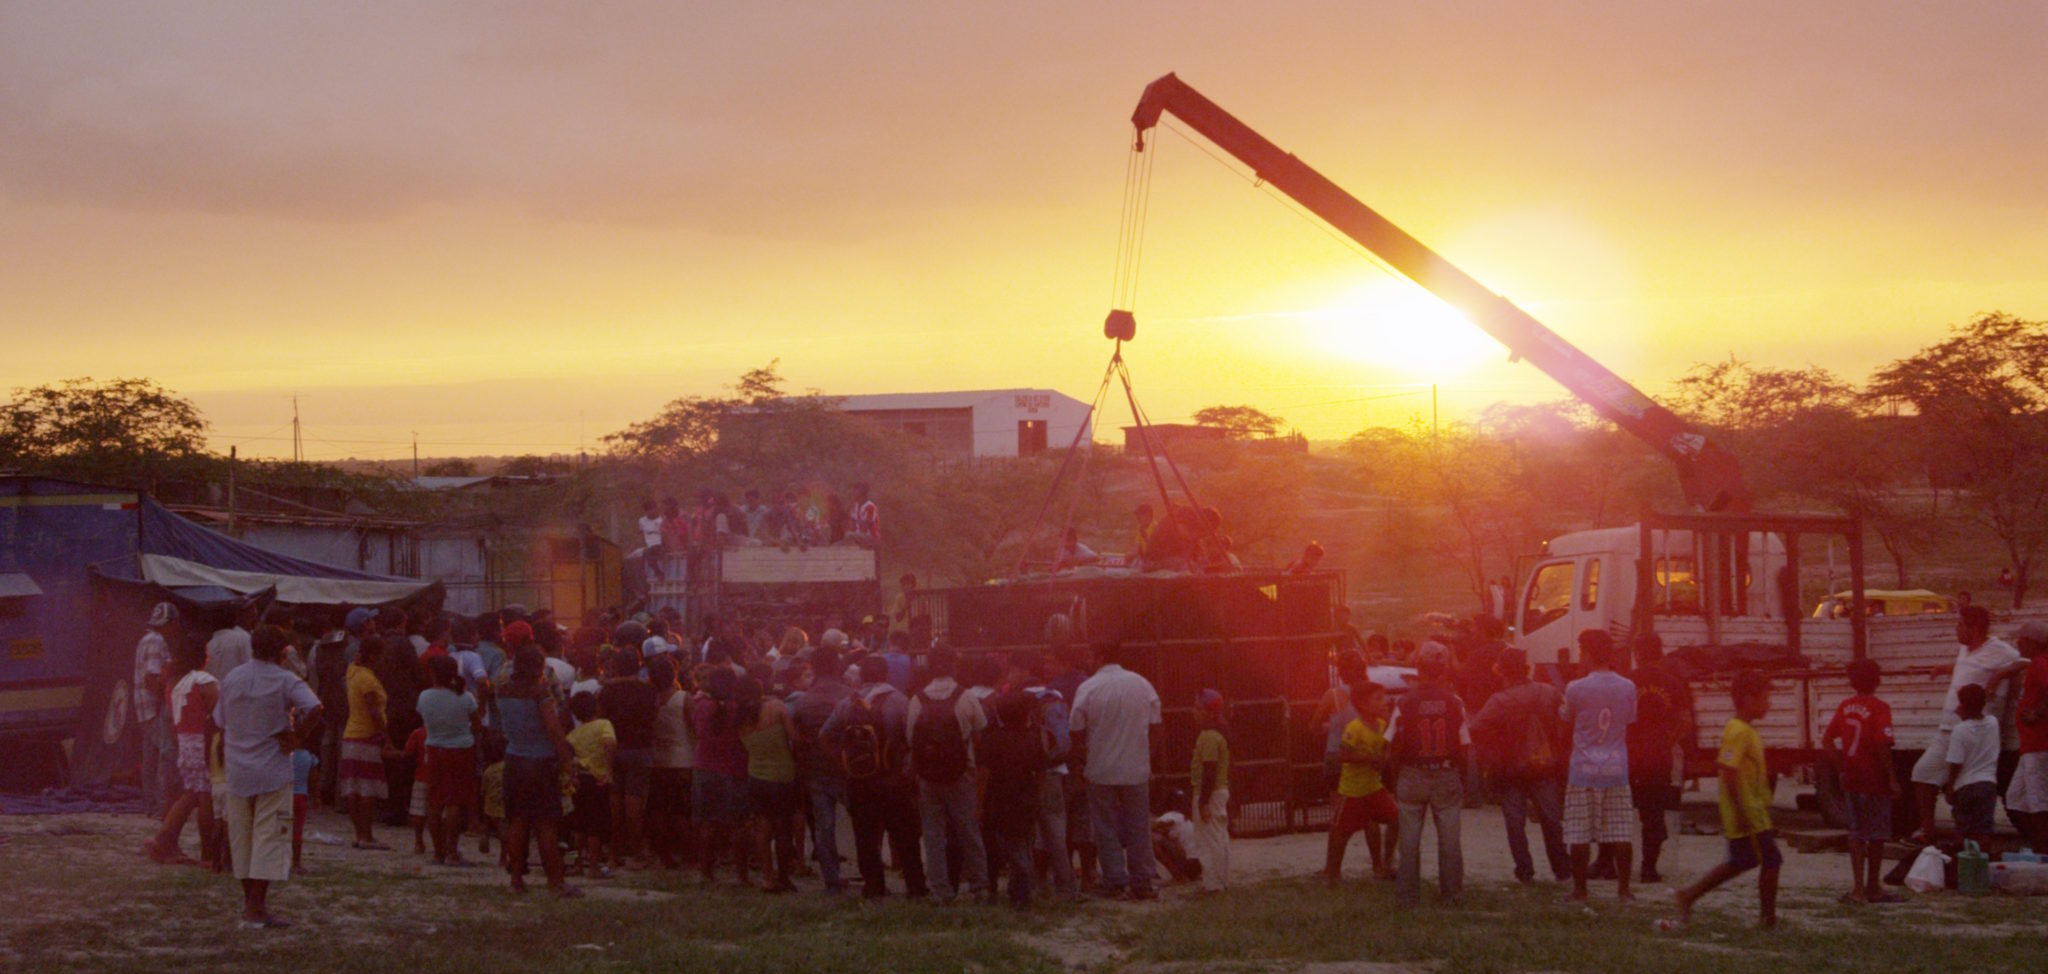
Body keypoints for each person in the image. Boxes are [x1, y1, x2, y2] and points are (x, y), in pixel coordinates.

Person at [212, 624, 323, 928]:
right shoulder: (285, 679)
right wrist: (299, 736)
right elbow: (315, 707)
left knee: (243, 840)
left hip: (238, 769)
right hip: (272, 768)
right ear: (283, 652)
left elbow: (220, 721)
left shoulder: (232, 678)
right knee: (269, 839)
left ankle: (253, 905)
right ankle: (255, 908)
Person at [1669, 670, 1779, 930]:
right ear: (1748, 699)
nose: (1769, 704)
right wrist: (1741, 812)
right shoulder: (1738, 730)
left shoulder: (1746, 730)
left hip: (1754, 812)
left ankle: (1688, 895)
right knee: (1771, 861)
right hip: (1748, 814)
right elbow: (1727, 771)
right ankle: (1767, 920)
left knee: (1743, 860)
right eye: (1765, 698)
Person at [1910, 605, 2025, 843]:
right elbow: (1965, 666)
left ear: (1975, 628)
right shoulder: (1964, 650)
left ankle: (1973, 840)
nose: (1956, 629)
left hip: (1977, 731)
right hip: (1948, 728)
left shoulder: (2000, 650)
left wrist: (2000, 675)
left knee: (1970, 785)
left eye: (1960, 624)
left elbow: (2027, 661)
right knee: (1922, 774)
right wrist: (1944, 668)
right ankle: (1928, 831)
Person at [821, 655, 928, 899]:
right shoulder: (900, 702)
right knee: (905, 836)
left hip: (859, 781)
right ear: (886, 675)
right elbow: (913, 740)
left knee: (866, 837)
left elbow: (824, 737)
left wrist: (844, 763)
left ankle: (874, 887)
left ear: (862, 676)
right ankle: (916, 887)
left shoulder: (848, 704)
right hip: (893, 779)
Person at [1467, 646, 1569, 885]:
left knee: (1515, 822)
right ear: (1526, 668)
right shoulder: (1549, 692)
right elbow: (1564, 720)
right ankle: (1562, 868)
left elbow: (1476, 728)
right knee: (1551, 819)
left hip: (1511, 768)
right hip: (1544, 765)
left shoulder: (1499, 700)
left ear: (1502, 671)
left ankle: (1525, 871)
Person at [1071, 640, 1163, 900]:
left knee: (1105, 826)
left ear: (1098, 656)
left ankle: (1114, 880)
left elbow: (1075, 729)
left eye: (1089, 655)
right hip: (1135, 769)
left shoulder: (1088, 688)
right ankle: (1142, 881)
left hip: (1100, 769)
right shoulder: (1142, 684)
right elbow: (1157, 727)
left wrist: (1082, 760)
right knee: (1138, 826)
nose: (1086, 661)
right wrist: (1146, 756)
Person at [1387, 641, 1469, 906]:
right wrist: (1463, 777)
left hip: (1412, 773)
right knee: (1449, 839)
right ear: (1444, 669)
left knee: (1409, 840)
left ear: (1418, 668)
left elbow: (1392, 742)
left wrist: (1394, 775)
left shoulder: (1405, 701)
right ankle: (1452, 894)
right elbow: (1465, 745)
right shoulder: (1454, 702)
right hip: (1445, 773)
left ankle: (1407, 895)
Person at [905, 644, 990, 902]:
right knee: (968, 832)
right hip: (962, 774)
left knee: (933, 835)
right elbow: (980, 733)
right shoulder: (966, 697)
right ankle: (979, 886)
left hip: (928, 778)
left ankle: (941, 889)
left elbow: (911, 740)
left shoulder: (917, 700)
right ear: (954, 665)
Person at [496, 645, 581, 897]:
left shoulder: (503, 691)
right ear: (538, 668)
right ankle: (555, 881)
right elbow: (554, 730)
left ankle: (516, 879)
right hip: (540, 761)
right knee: (546, 824)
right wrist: (567, 760)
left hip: (514, 757)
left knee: (518, 821)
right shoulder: (540, 693)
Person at [1561, 629, 1637, 903]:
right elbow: (1629, 720)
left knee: (1578, 833)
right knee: (1620, 832)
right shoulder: (1628, 687)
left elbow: (1567, 718)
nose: (1580, 657)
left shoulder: (1576, 688)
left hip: (1583, 769)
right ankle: (1624, 890)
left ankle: (1580, 890)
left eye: (1581, 651)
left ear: (1589, 653)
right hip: (1616, 768)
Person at [1820, 658, 1901, 904]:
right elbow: (1882, 745)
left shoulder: (1845, 706)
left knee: (1855, 834)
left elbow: (1826, 741)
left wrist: (1841, 768)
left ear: (1851, 681)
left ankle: (1857, 889)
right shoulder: (1880, 708)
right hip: (1874, 779)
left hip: (1852, 778)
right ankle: (1873, 887)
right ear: (1877, 681)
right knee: (1876, 835)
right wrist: (1892, 778)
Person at [1622, 632, 1691, 884]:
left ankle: (1613, 866)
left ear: (1638, 653)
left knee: (1620, 813)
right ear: (1659, 652)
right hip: (1660, 758)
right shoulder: (1673, 683)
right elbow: (1685, 723)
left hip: (1629, 758)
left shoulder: (1627, 681)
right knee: (1654, 814)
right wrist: (1667, 740)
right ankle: (1649, 868)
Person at [145, 638, 220, 866]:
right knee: (206, 795)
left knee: (191, 795)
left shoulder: (175, 684)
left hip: (185, 742)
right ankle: (208, 853)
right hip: (203, 741)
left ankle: (164, 839)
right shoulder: (204, 681)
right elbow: (220, 714)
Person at [790, 643, 852, 891]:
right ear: (837, 664)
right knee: (862, 820)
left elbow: (796, 737)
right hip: (846, 768)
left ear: (814, 667)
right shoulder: (847, 695)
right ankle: (872, 870)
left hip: (815, 768)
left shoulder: (804, 701)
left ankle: (831, 878)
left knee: (823, 825)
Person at [981, 690, 1049, 908]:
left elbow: (984, 773)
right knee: (1023, 844)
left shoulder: (993, 739)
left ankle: (1015, 890)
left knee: (1004, 846)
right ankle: (1021, 890)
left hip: (998, 799)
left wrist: (979, 803)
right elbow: (1041, 771)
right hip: (1025, 798)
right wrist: (1037, 795)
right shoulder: (1032, 739)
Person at [1325, 679, 1396, 882]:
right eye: (1378, 698)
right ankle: (1332, 873)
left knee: (1396, 819)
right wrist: (1368, 759)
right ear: (1363, 705)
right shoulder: (1354, 728)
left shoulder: (1382, 725)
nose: (1384, 702)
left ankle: (1382, 865)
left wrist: (1383, 759)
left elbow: (1385, 748)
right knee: (1340, 834)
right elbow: (1342, 755)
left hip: (1374, 788)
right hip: (1353, 791)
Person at [416, 655, 480, 867]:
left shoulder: (424, 696)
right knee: (454, 802)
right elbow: (476, 723)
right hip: (460, 749)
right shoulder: (465, 698)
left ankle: (438, 851)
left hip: (434, 749)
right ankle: (452, 850)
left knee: (435, 801)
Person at [692, 667, 754, 885]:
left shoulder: (700, 707)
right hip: (734, 769)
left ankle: (706, 873)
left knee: (707, 824)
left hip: (704, 768)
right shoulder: (738, 709)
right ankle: (742, 875)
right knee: (738, 825)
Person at [739, 674, 800, 892]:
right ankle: (784, 876)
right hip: (783, 776)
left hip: (756, 777)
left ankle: (767, 877)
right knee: (783, 830)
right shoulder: (776, 707)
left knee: (762, 829)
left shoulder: (740, 716)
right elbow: (794, 737)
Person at [598, 649, 658, 867]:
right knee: (635, 801)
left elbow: (601, 720)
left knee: (614, 802)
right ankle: (636, 852)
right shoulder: (649, 691)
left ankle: (614, 851)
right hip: (640, 748)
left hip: (613, 747)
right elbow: (655, 717)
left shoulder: (606, 691)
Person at [337, 635, 391, 850]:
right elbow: (374, 711)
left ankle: (359, 834)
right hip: (366, 736)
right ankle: (366, 834)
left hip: (351, 735)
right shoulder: (368, 678)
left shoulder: (353, 672)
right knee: (367, 789)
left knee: (354, 789)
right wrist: (386, 736)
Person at [646, 655, 693, 871]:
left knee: (660, 810)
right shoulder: (684, 698)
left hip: (658, 759)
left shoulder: (650, 700)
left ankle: (663, 853)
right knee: (682, 810)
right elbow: (694, 729)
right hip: (683, 759)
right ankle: (687, 852)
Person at [133, 602, 180, 815]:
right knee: (166, 754)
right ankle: (163, 806)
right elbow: (152, 678)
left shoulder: (146, 639)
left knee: (150, 756)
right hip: (153, 706)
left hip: (144, 707)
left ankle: (149, 804)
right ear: (169, 623)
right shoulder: (157, 641)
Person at [565, 692, 616, 877]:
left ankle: (578, 863)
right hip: (598, 780)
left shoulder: (573, 734)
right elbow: (609, 744)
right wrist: (609, 771)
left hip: (580, 779)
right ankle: (594, 866)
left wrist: (571, 776)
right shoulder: (604, 724)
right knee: (595, 826)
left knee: (580, 825)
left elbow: (568, 757)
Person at [1945, 683, 2001, 847]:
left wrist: (1950, 787)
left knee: (1963, 830)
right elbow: (1981, 712)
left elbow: (1955, 762)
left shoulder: (1960, 730)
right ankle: (1982, 865)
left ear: (1961, 705)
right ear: (1983, 703)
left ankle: (1962, 866)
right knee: (1983, 831)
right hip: (1987, 783)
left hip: (1965, 785)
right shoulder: (1993, 723)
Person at [2008, 621, 2048, 851]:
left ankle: (2043, 849)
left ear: (2032, 642)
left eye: (2021, 640)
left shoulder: (2040, 664)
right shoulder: (2035, 663)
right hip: (2030, 745)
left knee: (2037, 801)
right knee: (2016, 801)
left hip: (2038, 744)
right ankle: (2037, 844)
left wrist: (2039, 713)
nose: (2018, 644)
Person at [1189, 689, 1231, 893]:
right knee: (1219, 836)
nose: (1193, 711)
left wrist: (1203, 801)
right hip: (1219, 791)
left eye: (1197, 708)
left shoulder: (1208, 737)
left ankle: (1213, 885)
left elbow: (1209, 771)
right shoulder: (1219, 735)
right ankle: (1221, 880)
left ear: (1209, 712)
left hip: (1209, 794)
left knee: (1207, 840)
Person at [206, 604, 259, 684]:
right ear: (239, 617)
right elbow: (252, 669)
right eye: (251, 616)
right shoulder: (243, 637)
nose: (255, 620)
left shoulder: (210, 643)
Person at [290, 746, 317, 872]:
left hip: (285, 794)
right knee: (297, 831)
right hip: (301, 795)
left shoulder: (284, 756)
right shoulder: (309, 757)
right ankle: (296, 863)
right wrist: (316, 796)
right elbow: (313, 779)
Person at [848, 481, 881, 549]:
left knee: (848, 536)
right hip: (858, 536)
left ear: (861, 491)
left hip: (871, 537)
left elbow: (865, 527)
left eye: (855, 490)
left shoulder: (870, 507)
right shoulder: (854, 506)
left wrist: (854, 533)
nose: (853, 493)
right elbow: (852, 526)